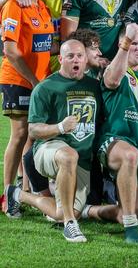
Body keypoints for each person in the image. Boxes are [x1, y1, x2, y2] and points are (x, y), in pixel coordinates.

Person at [7, 40, 102, 242]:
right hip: (49, 149)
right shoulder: (45, 87)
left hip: (83, 159)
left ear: (86, 60)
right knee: (68, 155)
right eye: (70, 56)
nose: (75, 60)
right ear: (60, 59)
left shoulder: (95, 87)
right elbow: (33, 129)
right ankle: (70, 225)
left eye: (79, 56)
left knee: (61, 211)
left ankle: (17, 195)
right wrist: (60, 127)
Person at [85, 24, 138, 243]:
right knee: (129, 156)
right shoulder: (115, 69)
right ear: (123, 43)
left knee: (130, 211)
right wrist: (126, 43)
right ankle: (131, 230)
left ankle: (87, 210)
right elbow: (113, 80)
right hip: (113, 141)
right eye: (134, 43)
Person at [1, 0, 54, 217]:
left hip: (38, 82)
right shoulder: (14, 4)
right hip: (18, 80)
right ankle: (8, 196)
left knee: (33, 135)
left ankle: (24, 190)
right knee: (20, 134)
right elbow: (10, 51)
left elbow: (43, 47)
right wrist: (34, 80)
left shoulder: (42, 6)